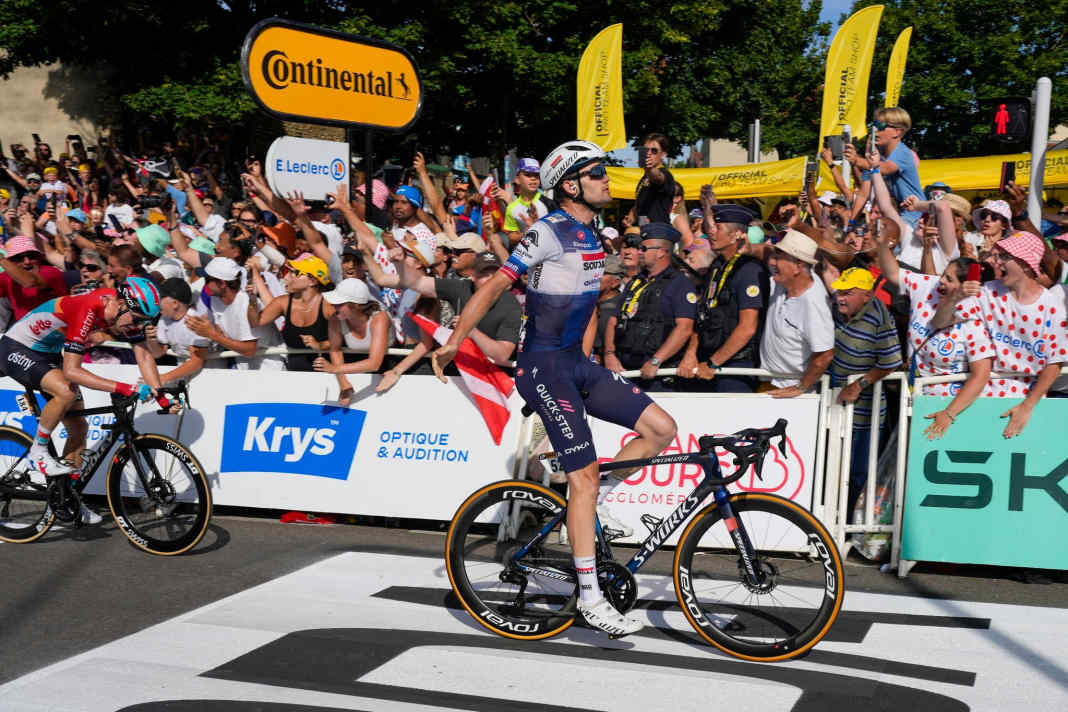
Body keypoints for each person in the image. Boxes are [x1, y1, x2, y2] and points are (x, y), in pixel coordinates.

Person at [431, 139, 677, 637]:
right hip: (543, 368)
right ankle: (590, 597)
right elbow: (492, 287)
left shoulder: (594, 234)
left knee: (661, 429)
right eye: (597, 173)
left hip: (576, 364)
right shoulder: (546, 231)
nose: (607, 179)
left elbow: (586, 303)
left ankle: (594, 500)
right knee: (581, 479)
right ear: (571, 185)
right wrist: (455, 341)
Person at [0, 277, 178, 521]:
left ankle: (67, 497)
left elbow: (144, 356)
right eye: (137, 319)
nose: (137, 326)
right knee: (65, 391)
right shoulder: (89, 307)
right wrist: (124, 387)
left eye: (144, 322)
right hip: (16, 347)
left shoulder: (123, 313)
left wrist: (161, 395)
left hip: (48, 353)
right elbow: (72, 371)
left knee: (78, 428)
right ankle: (38, 451)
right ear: (121, 304)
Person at [938, 231, 1068, 436]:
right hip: (982, 395)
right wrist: (956, 297)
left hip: (1028, 400)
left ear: (1026, 264)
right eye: (998, 256)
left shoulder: (1052, 307)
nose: (997, 262)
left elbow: (1055, 362)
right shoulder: (987, 292)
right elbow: (940, 322)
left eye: (1005, 257)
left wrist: (1027, 406)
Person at [828, 267, 903, 518]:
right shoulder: (836, 309)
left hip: (865, 410)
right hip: (833, 403)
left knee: (858, 473)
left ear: (867, 295)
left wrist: (859, 384)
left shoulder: (878, 317)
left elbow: (892, 361)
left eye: (847, 293)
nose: (840, 298)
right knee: (831, 468)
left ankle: (853, 525)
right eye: (839, 292)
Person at [681, 204, 769, 393]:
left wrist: (713, 363)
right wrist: (691, 353)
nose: (711, 232)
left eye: (718, 228)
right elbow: (702, 314)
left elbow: (747, 328)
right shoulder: (717, 265)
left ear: (736, 235)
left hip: (735, 367)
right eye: (712, 227)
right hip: (706, 362)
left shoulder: (750, 270)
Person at [604, 222, 696, 390]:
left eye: (644, 248)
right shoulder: (636, 282)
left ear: (661, 252)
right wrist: (609, 355)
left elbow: (684, 328)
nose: (639, 252)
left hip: (658, 375)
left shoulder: (679, 284)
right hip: (625, 370)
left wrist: (656, 360)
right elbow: (613, 320)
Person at [759, 230, 835, 396]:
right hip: (769, 382)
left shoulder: (813, 304)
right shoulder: (785, 281)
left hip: (789, 393)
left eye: (779, 258)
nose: (772, 262)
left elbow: (825, 355)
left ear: (798, 266)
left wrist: (801, 387)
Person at [186, 256, 285, 370]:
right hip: (242, 365)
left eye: (207, 280)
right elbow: (221, 333)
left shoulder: (245, 304)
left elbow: (249, 349)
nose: (205, 285)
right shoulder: (215, 300)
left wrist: (211, 334)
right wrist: (201, 327)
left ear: (222, 284)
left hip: (270, 366)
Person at [313, 278, 392, 405]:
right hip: (355, 366)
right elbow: (335, 350)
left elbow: (374, 364)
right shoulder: (335, 319)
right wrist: (344, 384)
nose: (333, 306)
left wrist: (334, 369)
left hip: (389, 366)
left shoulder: (379, 318)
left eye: (339, 303)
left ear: (356, 305)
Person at [249, 255, 333, 372]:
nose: (287, 277)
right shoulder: (283, 302)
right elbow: (255, 322)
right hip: (293, 374)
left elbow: (345, 339)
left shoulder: (328, 305)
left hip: (326, 374)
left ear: (312, 281)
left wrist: (320, 345)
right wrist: (252, 299)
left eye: (295, 273)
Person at [627, 133, 676, 226]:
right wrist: (632, 215)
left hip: (658, 229)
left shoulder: (665, 174)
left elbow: (658, 177)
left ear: (663, 155)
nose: (648, 153)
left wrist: (649, 169)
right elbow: (642, 205)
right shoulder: (645, 177)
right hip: (646, 228)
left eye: (654, 150)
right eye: (646, 150)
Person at [502, 158, 554, 245]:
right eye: (528, 175)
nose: (533, 178)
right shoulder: (511, 208)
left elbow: (559, 231)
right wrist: (525, 234)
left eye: (536, 175)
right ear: (517, 179)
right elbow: (511, 236)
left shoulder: (549, 204)